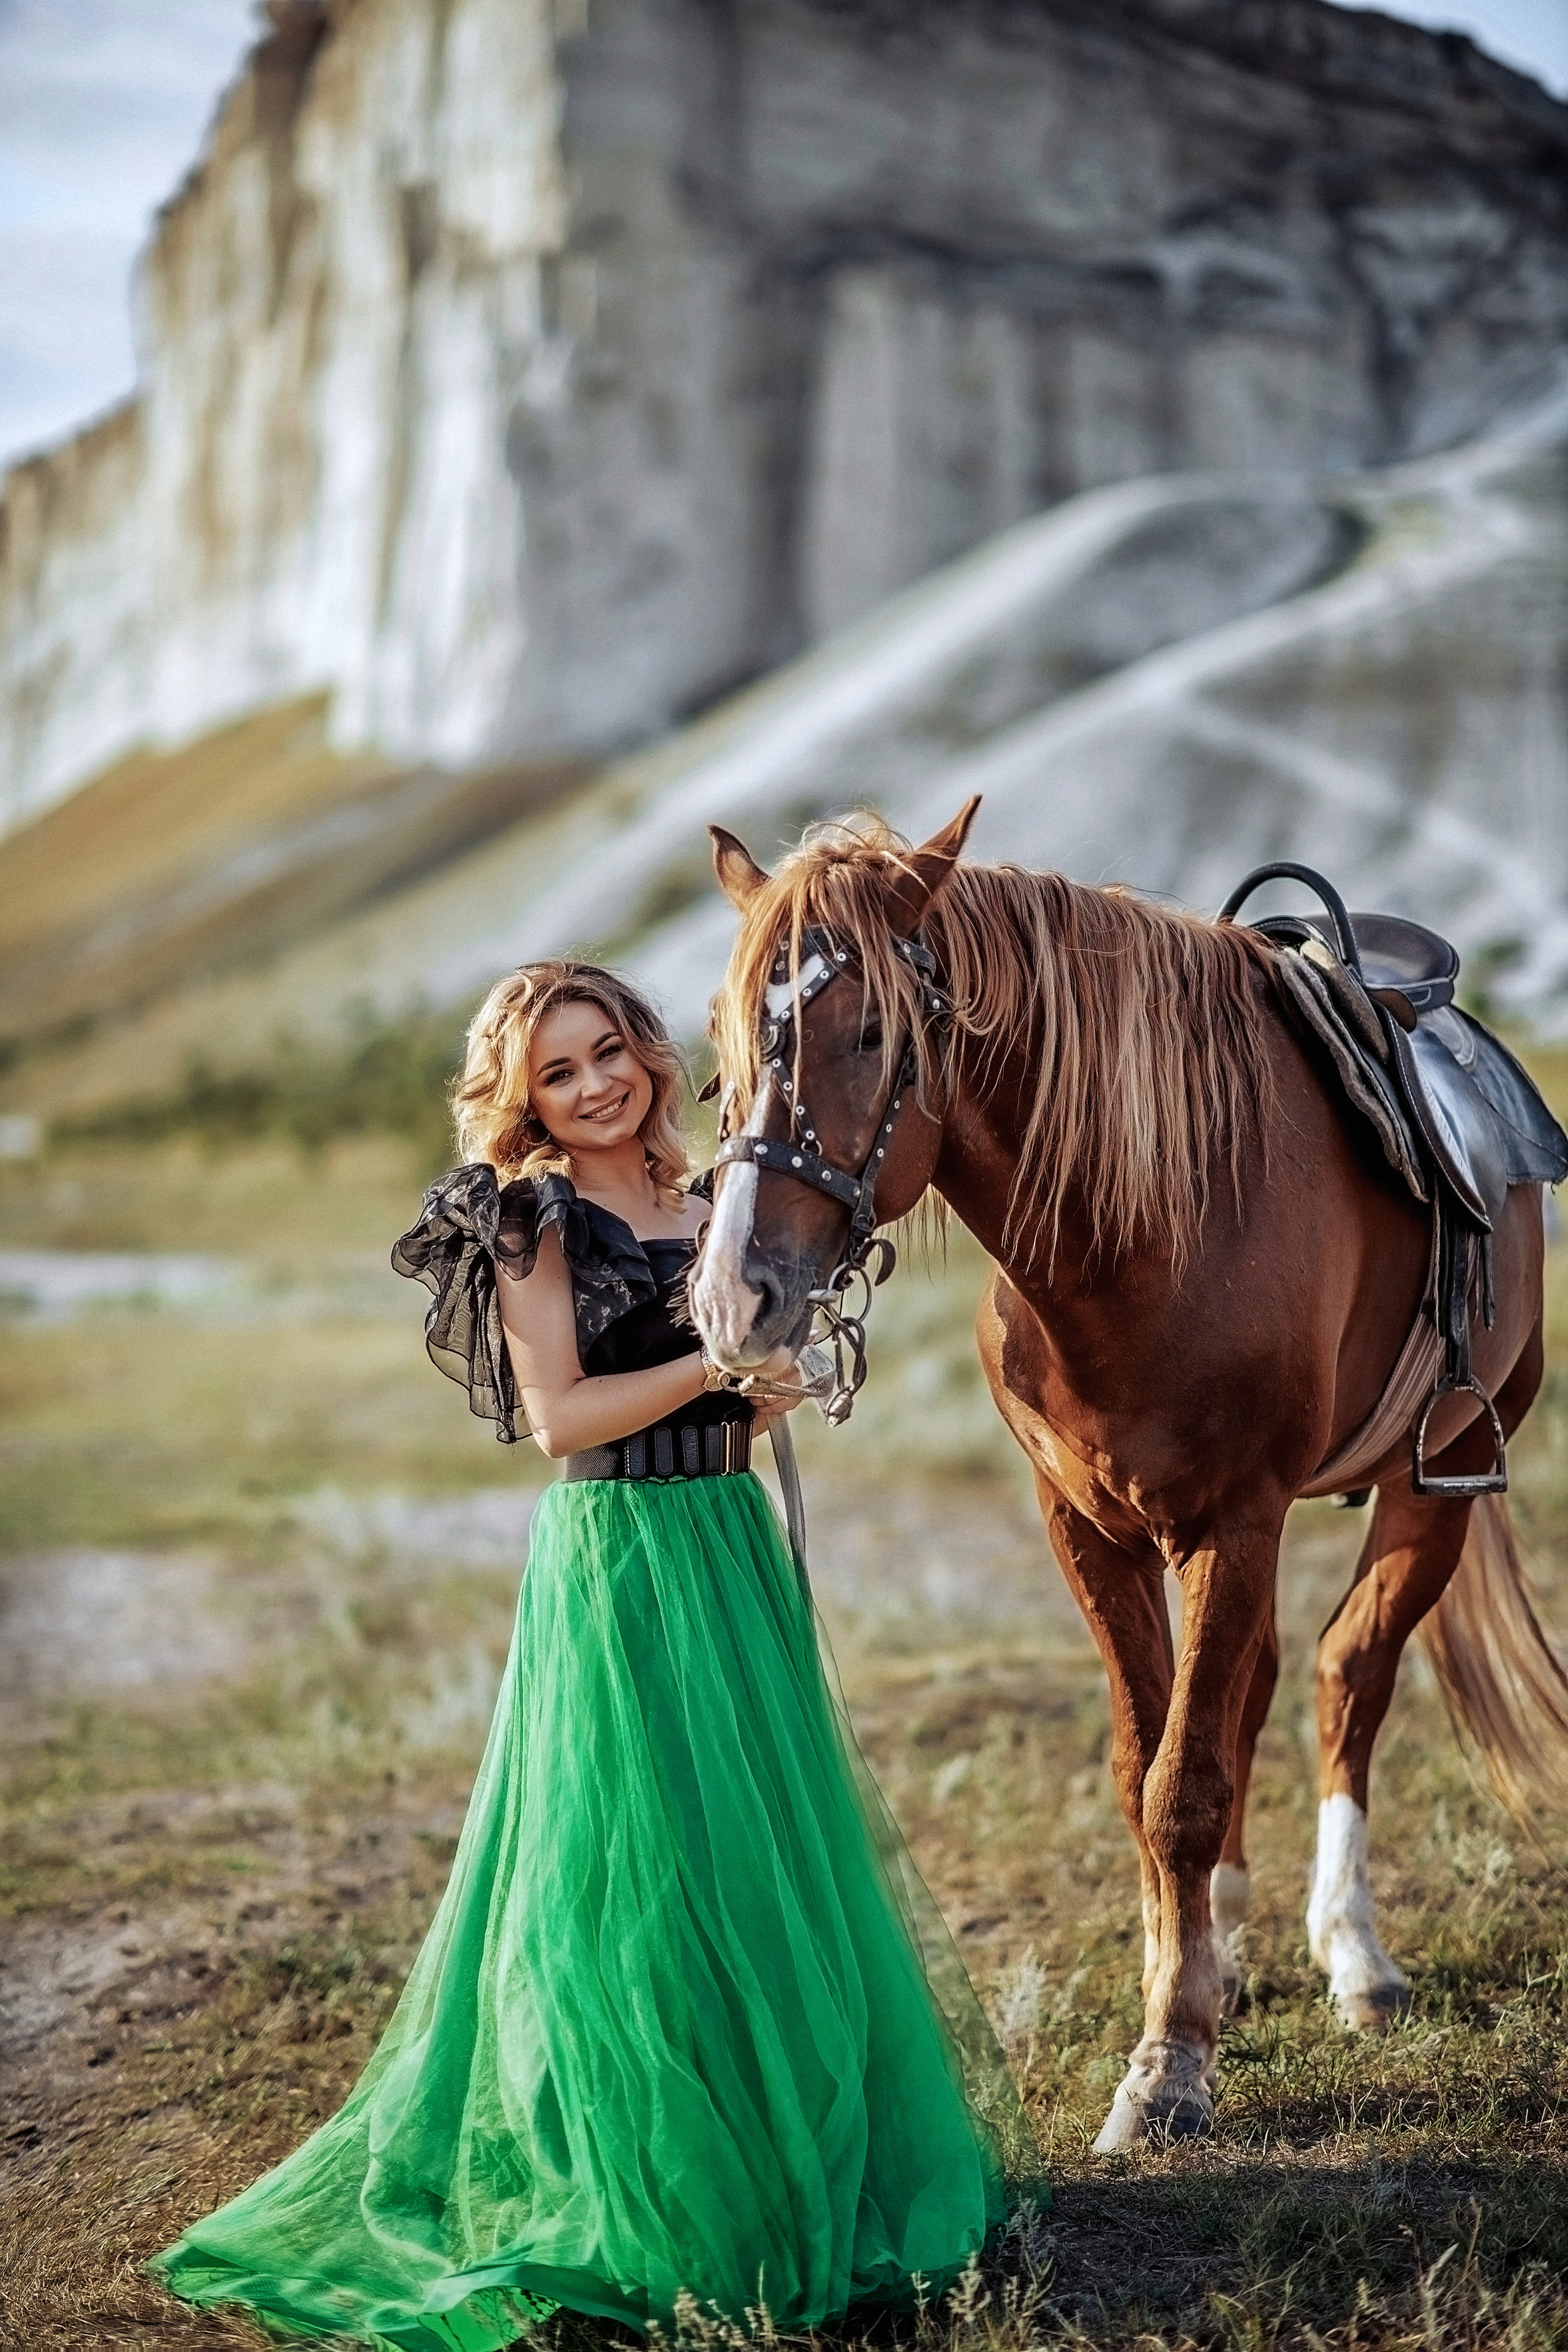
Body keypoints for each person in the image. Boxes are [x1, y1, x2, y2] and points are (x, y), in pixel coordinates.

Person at [149, 959, 1030, 2351]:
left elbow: (732, 1422)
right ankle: (648, 2190)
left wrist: (770, 1393)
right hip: (616, 1562)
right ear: (525, 1097)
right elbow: (562, 1418)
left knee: (752, 1866)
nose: (593, 1085)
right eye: (557, 1072)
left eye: (608, 1051)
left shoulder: (703, 1207)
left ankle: (773, 2158)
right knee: (632, 1875)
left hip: (722, 1544)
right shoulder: (523, 1216)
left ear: (648, 1054)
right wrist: (721, 1357)